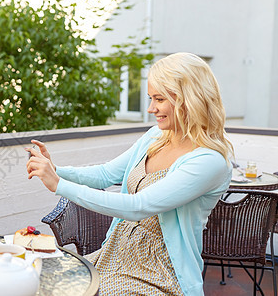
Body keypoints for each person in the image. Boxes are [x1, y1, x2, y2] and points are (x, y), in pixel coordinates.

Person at [26, 52, 233, 296]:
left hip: (158, 269)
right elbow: (105, 174)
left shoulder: (209, 160)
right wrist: (56, 170)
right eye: (150, 98)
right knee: (42, 279)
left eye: (159, 99)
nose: (150, 108)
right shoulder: (155, 137)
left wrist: (59, 184)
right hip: (116, 250)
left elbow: (138, 206)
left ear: (189, 99)